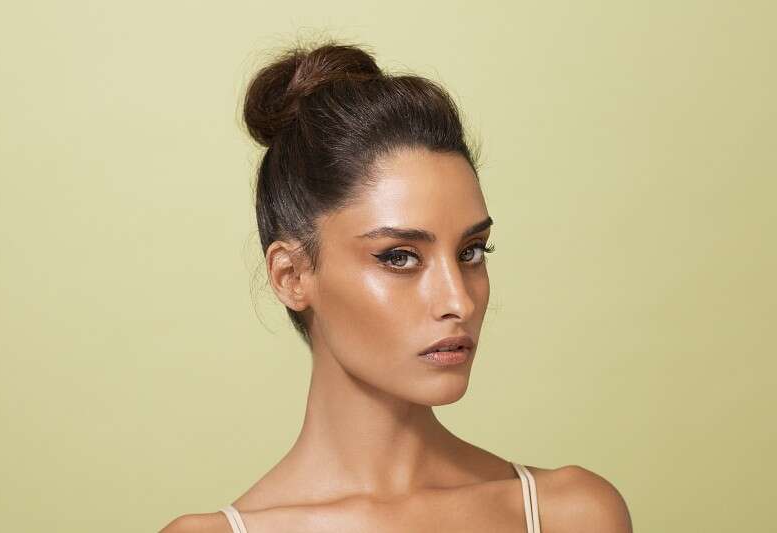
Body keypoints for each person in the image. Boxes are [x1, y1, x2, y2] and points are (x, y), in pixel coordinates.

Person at [161, 39, 632, 533]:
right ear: (292, 276)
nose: (459, 300)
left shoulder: (572, 514)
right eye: (399, 257)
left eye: (471, 252)